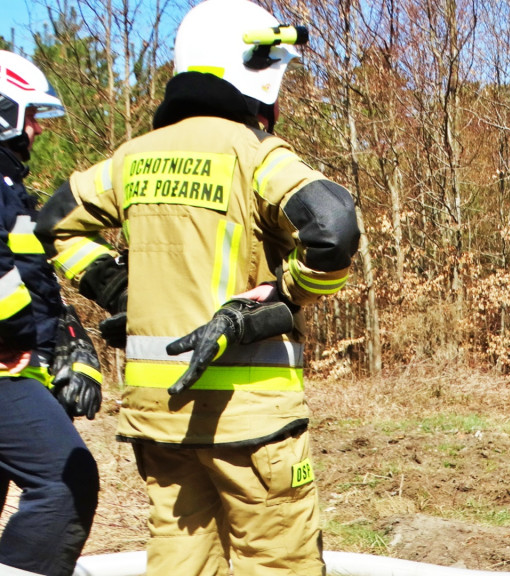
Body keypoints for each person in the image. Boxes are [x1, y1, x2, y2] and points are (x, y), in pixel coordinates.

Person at [35, 1, 361, 574]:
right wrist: (283, 297)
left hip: (157, 419)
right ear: (255, 69)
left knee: (180, 561)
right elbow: (333, 229)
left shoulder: (131, 159)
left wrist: (117, 289)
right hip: (252, 419)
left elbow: (54, 223)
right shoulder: (254, 154)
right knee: (278, 563)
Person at [0, 50, 101, 576]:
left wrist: (66, 336)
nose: (37, 128)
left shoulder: (9, 189)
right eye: (30, 114)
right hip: (3, 370)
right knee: (65, 482)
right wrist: (17, 342)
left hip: (16, 364)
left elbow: (27, 277)